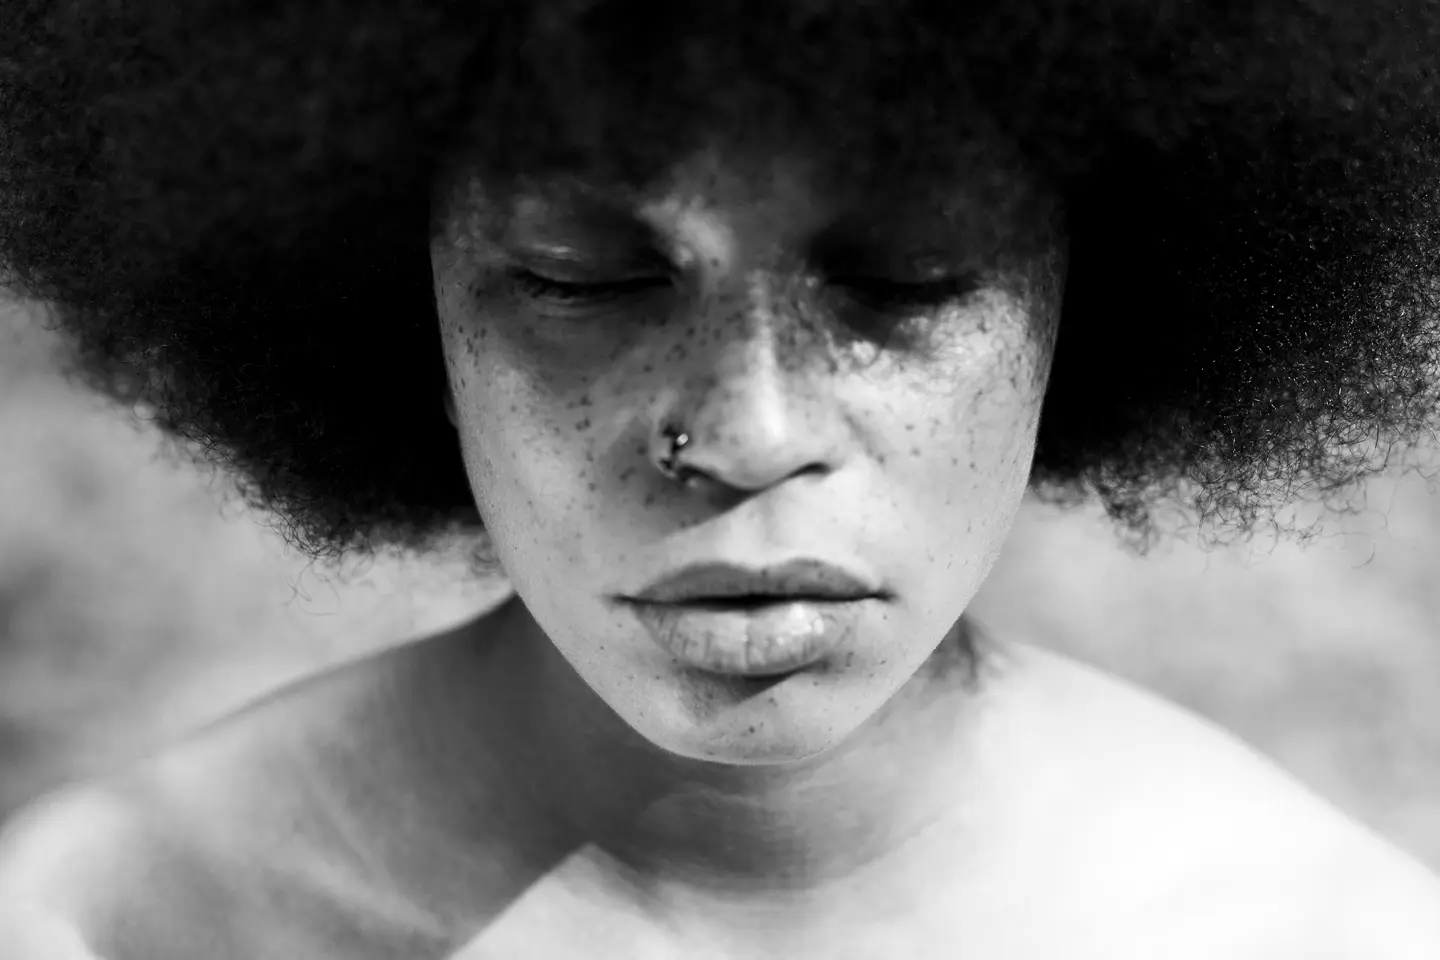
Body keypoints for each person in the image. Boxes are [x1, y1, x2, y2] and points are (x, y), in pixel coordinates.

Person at [2, 1, 1440, 956]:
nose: (752, 435)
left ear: (1095, 290)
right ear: (388, 288)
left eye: (906, 280)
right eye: (587, 280)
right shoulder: (102, 930)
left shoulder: (1333, 936)